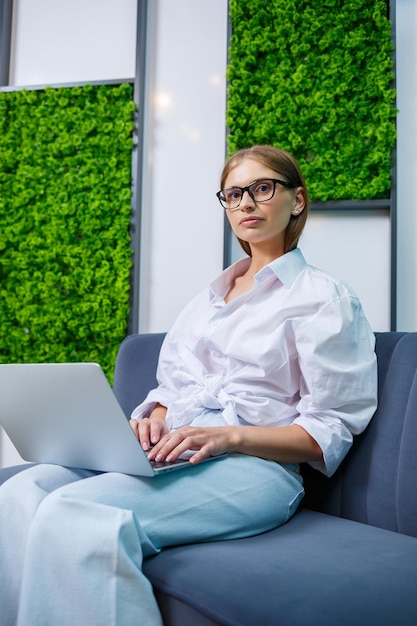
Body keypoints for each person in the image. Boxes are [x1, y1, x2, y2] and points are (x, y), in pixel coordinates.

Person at [0, 145, 377, 626]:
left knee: (71, 512)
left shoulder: (325, 297)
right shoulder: (209, 298)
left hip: (255, 468)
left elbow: (331, 427)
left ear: (297, 200)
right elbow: (169, 389)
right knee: (18, 493)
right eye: (234, 194)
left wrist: (229, 436)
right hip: (175, 450)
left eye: (263, 189)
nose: (246, 204)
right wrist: (152, 422)